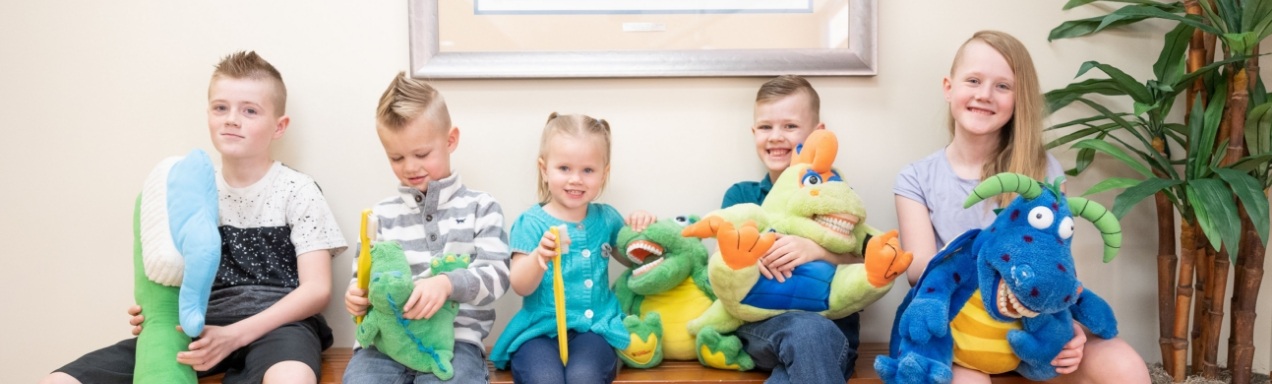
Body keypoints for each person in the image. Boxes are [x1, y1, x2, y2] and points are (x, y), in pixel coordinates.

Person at [41, 51, 348, 384]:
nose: (232, 119)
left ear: (279, 126)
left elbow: (317, 289)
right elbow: (168, 274)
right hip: (198, 326)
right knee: (57, 380)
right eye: (221, 108)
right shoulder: (186, 190)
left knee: (292, 378)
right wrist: (155, 313)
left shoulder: (298, 190)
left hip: (278, 327)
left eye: (249, 110)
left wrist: (236, 335)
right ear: (208, 115)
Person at [893, 30, 1150, 383]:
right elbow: (917, 269)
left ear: (1018, 99)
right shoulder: (916, 178)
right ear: (948, 87)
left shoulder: (1044, 172)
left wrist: (1069, 323)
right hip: (963, 334)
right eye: (973, 80)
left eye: (1003, 86)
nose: (984, 95)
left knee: (1124, 364)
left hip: (1033, 327)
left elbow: (1058, 259)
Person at [341, 72, 511, 384]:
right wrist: (358, 299)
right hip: (383, 345)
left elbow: (498, 276)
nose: (410, 167)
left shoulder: (482, 207)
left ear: (450, 140)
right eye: (396, 157)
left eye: (421, 154)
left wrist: (447, 284)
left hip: (456, 343)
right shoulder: (379, 216)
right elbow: (364, 283)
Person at [490, 113, 656, 384]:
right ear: (544, 170)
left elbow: (638, 262)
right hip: (539, 332)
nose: (576, 179)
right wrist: (538, 257)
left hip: (594, 329)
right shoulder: (530, 223)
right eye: (564, 168)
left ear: (604, 173)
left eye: (588, 170)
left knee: (585, 377)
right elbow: (520, 284)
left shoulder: (607, 219)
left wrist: (643, 229)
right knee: (545, 378)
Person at [718, 74, 862, 383]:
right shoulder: (741, 198)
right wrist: (747, 261)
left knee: (806, 345)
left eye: (790, 126)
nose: (775, 137)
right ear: (754, 131)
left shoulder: (837, 196)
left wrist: (818, 251)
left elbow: (866, 265)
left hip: (832, 334)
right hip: (763, 329)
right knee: (806, 331)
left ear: (817, 134)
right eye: (766, 127)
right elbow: (726, 272)